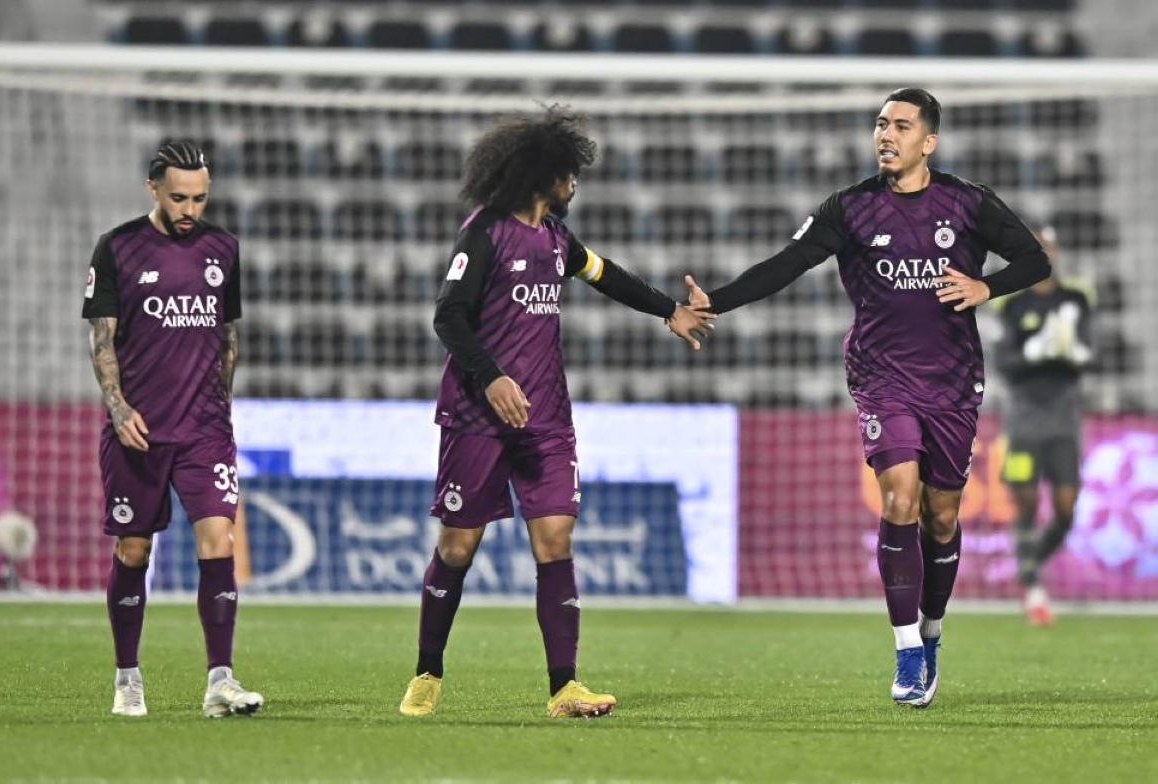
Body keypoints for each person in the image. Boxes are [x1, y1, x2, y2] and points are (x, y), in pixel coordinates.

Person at [686, 88, 1050, 707]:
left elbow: (1034, 261)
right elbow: (788, 262)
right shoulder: (850, 208)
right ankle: (907, 648)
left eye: (901, 126)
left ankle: (932, 632)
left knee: (942, 514)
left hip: (954, 380)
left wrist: (986, 287)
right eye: (881, 124)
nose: (886, 134)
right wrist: (715, 300)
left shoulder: (967, 203)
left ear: (927, 142)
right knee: (900, 497)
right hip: (881, 377)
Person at [398, 106, 713, 719]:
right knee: (459, 546)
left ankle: (564, 687)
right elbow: (449, 316)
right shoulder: (485, 231)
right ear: (542, 172)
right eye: (569, 171)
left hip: (546, 418)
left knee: (555, 538)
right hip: (479, 416)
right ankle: (427, 674)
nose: (575, 181)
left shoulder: (556, 238)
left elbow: (605, 275)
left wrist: (666, 310)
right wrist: (490, 378)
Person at [82, 140, 262, 718]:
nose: (190, 209)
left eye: (200, 198)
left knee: (220, 541)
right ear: (153, 188)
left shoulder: (223, 249)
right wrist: (117, 407)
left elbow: (227, 335)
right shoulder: (118, 248)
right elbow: (102, 339)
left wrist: (223, 406)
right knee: (133, 549)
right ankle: (128, 679)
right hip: (140, 431)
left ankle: (220, 681)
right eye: (180, 197)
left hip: (205, 429)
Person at [993, 226, 1093, 626]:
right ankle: (1033, 587)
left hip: (1064, 421)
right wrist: (1037, 351)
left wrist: (1073, 350)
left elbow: (1087, 354)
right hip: (1023, 423)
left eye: (1049, 247)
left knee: (1067, 510)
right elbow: (1004, 363)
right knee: (1026, 502)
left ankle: (1028, 561)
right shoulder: (1013, 307)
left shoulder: (1076, 300)